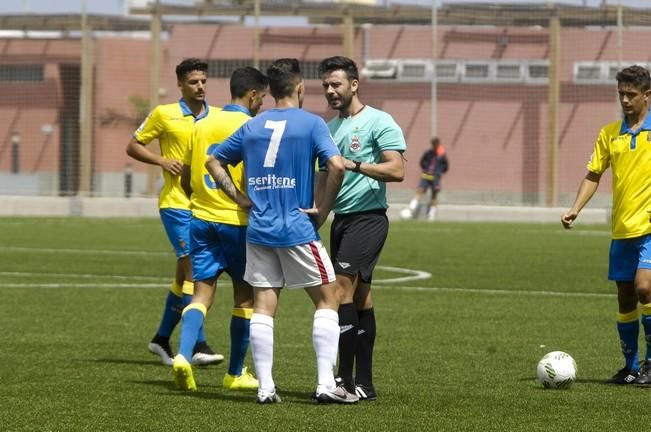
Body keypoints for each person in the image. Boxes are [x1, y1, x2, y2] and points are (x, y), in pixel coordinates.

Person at [205, 58, 358, 404]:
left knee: (263, 305)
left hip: (259, 229)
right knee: (328, 298)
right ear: (300, 87)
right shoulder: (311, 124)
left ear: (271, 91)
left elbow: (213, 160)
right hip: (297, 229)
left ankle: (265, 387)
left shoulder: (253, 126)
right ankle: (324, 384)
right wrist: (323, 208)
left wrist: (240, 198)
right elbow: (335, 165)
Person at [172, 66, 268, 392]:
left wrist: (200, 201)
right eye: (262, 98)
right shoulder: (251, 126)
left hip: (199, 219)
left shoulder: (202, 122)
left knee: (201, 293)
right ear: (252, 94)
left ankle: (184, 355)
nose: (262, 105)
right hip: (237, 223)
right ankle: (235, 373)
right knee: (245, 297)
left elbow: (187, 175)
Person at [319, 56, 406, 401]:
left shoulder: (379, 121)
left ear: (354, 85)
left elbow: (396, 169)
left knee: (339, 293)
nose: (330, 91)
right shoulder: (327, 128)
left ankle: (343, 382)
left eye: (336, 84)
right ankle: (365, 385)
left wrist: (355, 164)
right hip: (341, 221)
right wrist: (317, 212)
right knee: (361, 299)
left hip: (368, 220)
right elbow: (324, 175)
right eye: (325, 85)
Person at [126, 58, 222, 366]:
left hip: (205, 205)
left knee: (183, 278)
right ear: (180, 83)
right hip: (176, 204)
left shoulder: (216, 117)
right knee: (193, 270)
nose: (200, 86)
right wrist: (162, 161)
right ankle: (198, 345)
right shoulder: (164, 114)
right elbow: (133, 145)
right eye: (194, 82)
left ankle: (160, 340)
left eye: (204, 81)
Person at [561, 64, 651, 385]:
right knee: (625, 295)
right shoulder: (609, 133)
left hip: (649, 229)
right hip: (623, 228)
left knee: (645, 288)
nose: (625, 100)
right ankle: (630, 367)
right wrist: (575, 209)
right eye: (621, 94)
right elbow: (593, 175)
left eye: (631, 95)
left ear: (647, 96)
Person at [406, 137, 449, 221]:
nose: (435, 146)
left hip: (435, 177)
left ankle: (431, 214)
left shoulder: (442, 154)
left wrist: (439, 172)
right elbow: (422, 161)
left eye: (436, 144)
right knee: (420, 190)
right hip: (426, 175)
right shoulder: (428, 153)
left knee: (434, 195)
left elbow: (446, 166)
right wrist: (426, 168)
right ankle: (412, 207)